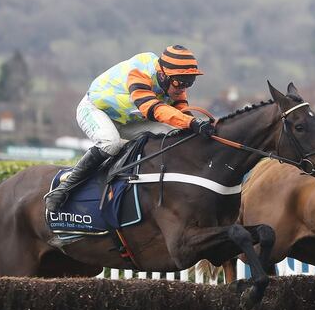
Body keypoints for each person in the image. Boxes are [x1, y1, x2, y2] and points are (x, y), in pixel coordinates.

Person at [44, 44, 213, 211]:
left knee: (171, 134)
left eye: (189, 83)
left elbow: (182, 113)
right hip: (95, 109)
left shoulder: (174, 82)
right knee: (110, 143)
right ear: (162, 75)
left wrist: (199, 126)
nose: (183, 88)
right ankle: (64, 188)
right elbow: (153, 109)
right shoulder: (140, 70)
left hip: (127, 119)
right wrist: (192, 123)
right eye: (180, 83)